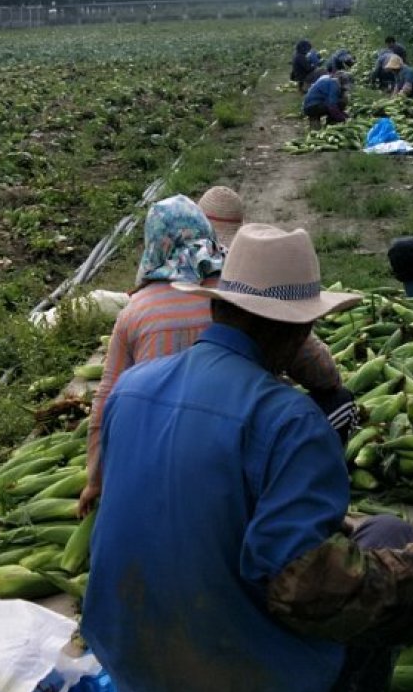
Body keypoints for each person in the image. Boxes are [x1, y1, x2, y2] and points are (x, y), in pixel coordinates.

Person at [82, 224, 413, 692]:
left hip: (134, 672)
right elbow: (305, 588)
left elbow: (193, 505)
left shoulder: (132, 389)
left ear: (224, 309)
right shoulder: (288, 419)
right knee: (392, 547)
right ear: (297, 328)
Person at [79, 194, 354, 514]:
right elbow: (323, 375)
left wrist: (96, 480)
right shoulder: (288, 413)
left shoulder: (133, 346)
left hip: (152, 460)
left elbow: (104, 398)